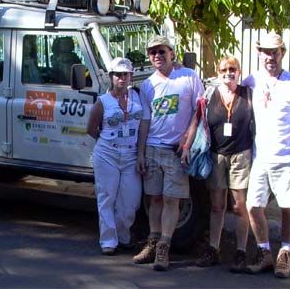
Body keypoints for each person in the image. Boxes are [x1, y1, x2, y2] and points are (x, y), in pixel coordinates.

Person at [242, 33, 290, 278]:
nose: (270, 56)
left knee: (288, 206)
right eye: (265, 51)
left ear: (282, 53)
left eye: (275, 52)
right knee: (253, 206)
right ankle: (264, 253)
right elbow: (229, 87)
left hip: (288, 159)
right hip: (261, 158)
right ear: (259, 53)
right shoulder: (252, 80)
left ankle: (285, 253)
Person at [134, 36, 204, 270]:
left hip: (175, 152)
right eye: (152, 52)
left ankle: (164, 247)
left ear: (172, 53)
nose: (157, 56)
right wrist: (141, 152)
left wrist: (187, 144)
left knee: (172, 200)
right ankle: (153, 242)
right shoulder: (147, 85)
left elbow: (198, 112)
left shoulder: (189, 77)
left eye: (161, 51)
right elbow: (145, 120)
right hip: (153, 148)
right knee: (154, 199)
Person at [181, 56, 253, 272]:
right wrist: (186, 147)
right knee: (217, 205)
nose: (228, 73)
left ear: (239, 71)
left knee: (240, 206)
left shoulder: (248, 94)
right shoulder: (210, 94)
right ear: (218, 71)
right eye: (223, 69)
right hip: (216, 155)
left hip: (241, 155)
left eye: (232, 69)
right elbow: (196, 120)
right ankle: (213, 248)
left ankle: (241, 252)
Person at [87, 57, 143, 256]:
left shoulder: (138, 97)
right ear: (111, 77)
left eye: (125, 74)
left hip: (131, 153)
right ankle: (109, 241)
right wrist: (108, 143)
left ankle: (123, 234)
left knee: (130, 201)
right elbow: (91, 128)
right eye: (118, 74)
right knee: (106, 197)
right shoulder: (103, 101)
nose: (122, 78)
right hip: (107, 153)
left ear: (131, 76)